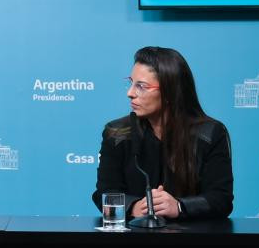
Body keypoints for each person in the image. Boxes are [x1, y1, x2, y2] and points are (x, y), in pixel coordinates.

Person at [93, 46, 233, 220]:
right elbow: (104, 193)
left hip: (193, 240)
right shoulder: (116, 133)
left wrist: (179, 207)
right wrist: (134, 207)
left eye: (141, 86)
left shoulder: (211, 133)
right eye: (130, 83)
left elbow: (221, 199)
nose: (130, 93)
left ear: (169, 91)